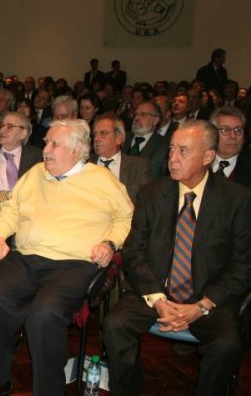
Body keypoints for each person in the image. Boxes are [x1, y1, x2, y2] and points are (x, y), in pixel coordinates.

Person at [0, 119, 133, 396]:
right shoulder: (35, 174)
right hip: (27, 258)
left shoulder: (102, 180)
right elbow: (11, 210)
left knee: (44, 313)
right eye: (46, 142)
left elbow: (125, 217)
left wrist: (110, 242)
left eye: (55, 143)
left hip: (74, 263)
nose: (46, 149)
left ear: (77, 151)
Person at [103, 120, 251, 396]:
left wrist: (202, 306)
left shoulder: (237, 199)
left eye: (183, 151)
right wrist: (158, 300)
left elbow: (243, 266)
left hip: (208, 298)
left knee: (227, 343)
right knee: (115, 324)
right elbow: (134, 252)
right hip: (156, 291)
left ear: (208, 157)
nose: (172, 158)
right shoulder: (151, 193)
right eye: (171, 149)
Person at [90, 113, 152, 204]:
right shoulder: (85, 163)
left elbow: (146, 203)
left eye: (103, 133)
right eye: (95, 134)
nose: (96, 139)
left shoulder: (139, 167)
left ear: (119, 138)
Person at [123, 100, 169, 177]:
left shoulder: (164, 145)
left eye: (143, 114)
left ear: (155, 120)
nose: (137, 118)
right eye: (136, 114)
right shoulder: (122, 138)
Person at [209, 106, 251, 188]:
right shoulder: (198, 162)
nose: (233, 136)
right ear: (212, 133)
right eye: (225, 130)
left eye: (238, 130)